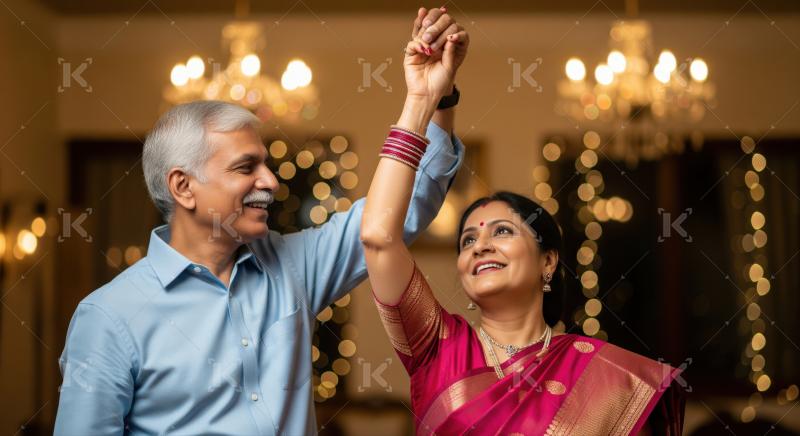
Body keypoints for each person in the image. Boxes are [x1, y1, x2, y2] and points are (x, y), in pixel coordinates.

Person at [54, 8, 465, 435]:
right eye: (245, 167)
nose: (270, 181)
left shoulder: (294, 266)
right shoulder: (108, 316)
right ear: (183, 187)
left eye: (265, 164)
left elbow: (399, 211)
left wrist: (431, 99)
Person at [360, 17, 685, 436]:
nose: (480, 246)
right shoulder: (437, 347)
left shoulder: (609, 377)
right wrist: (422, 100)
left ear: (548, 261)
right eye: (468, 240)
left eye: (502, 231)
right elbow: (378, 237)